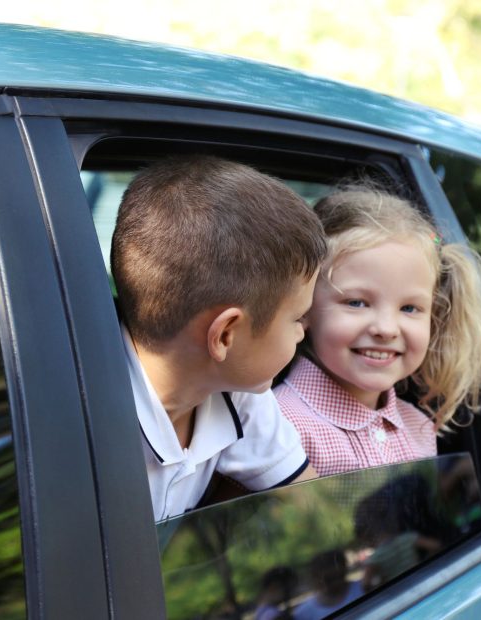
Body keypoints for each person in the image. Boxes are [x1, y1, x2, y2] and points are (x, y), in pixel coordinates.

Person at [111, 155, 327, 521]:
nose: (304, 331)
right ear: (226, 334)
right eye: (297, 318)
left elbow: (317, 514)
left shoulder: (238, 392)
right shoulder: (87, 426)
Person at [275, 187, 481, 476]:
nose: (386, 329)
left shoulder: (420, 429)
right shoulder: (277, 427)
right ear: (304, 306)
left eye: (409, 308)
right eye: (356, 302)